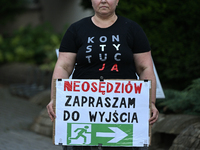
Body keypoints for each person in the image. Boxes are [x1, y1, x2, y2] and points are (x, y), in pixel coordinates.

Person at [47, 0, 159, 150]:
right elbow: (63, 66)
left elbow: (145, 67)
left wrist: (150, 102)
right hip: (82, 108)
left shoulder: (133, 29)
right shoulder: (76, 29)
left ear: (117, 0)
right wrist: (55, 99)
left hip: (123, 109)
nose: (104, 0)